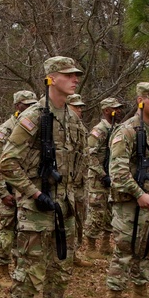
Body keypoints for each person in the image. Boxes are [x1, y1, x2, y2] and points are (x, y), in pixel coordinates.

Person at [0, 57, 87, 298]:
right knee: (30, 268)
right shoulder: (34, 116)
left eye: (76, 75)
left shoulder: (72, 118)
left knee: (61, 266)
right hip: (38, 206)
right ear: (51, 79)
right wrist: (33, 193)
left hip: (65, 206)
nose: (75, 79)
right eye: (68, 75)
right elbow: (8, 162)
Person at [105, 83, 149, 298]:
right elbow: (118, 173)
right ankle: (114, 296)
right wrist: (138, 193)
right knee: (126, 247)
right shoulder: (126, 131)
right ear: (141, 101)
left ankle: (140, 288)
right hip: (130, 202)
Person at [0, 90, 38, 289]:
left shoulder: (32, 127)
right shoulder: (5, 130)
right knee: (7, 230)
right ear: (18, 106)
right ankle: (2, 268)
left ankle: (20, 267)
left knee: (24, 230)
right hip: (9, 190)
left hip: (25, 189)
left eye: (33, 104)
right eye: (26, 104)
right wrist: (2, 192)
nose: (30, 107)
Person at [84, 97, 125, 258]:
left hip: (112, 177)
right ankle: (91, 246)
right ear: (106, 111)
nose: (119, 111)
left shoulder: (116, 129)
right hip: (98, 179)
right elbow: (90, 155)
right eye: (116, 108)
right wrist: (102, 174)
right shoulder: (99, 130)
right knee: (97, 212)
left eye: (119, 108)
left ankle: (106, 244)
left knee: (110, 211)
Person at [65, 93, 93, 267]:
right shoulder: (63, 126)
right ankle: (65, 255)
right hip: (68, 183)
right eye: (76, 106)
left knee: (79, 218)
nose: (80, 109)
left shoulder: (81, 127)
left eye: (81, 106)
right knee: (67, 218)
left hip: (80, 182)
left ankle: (73, 252)